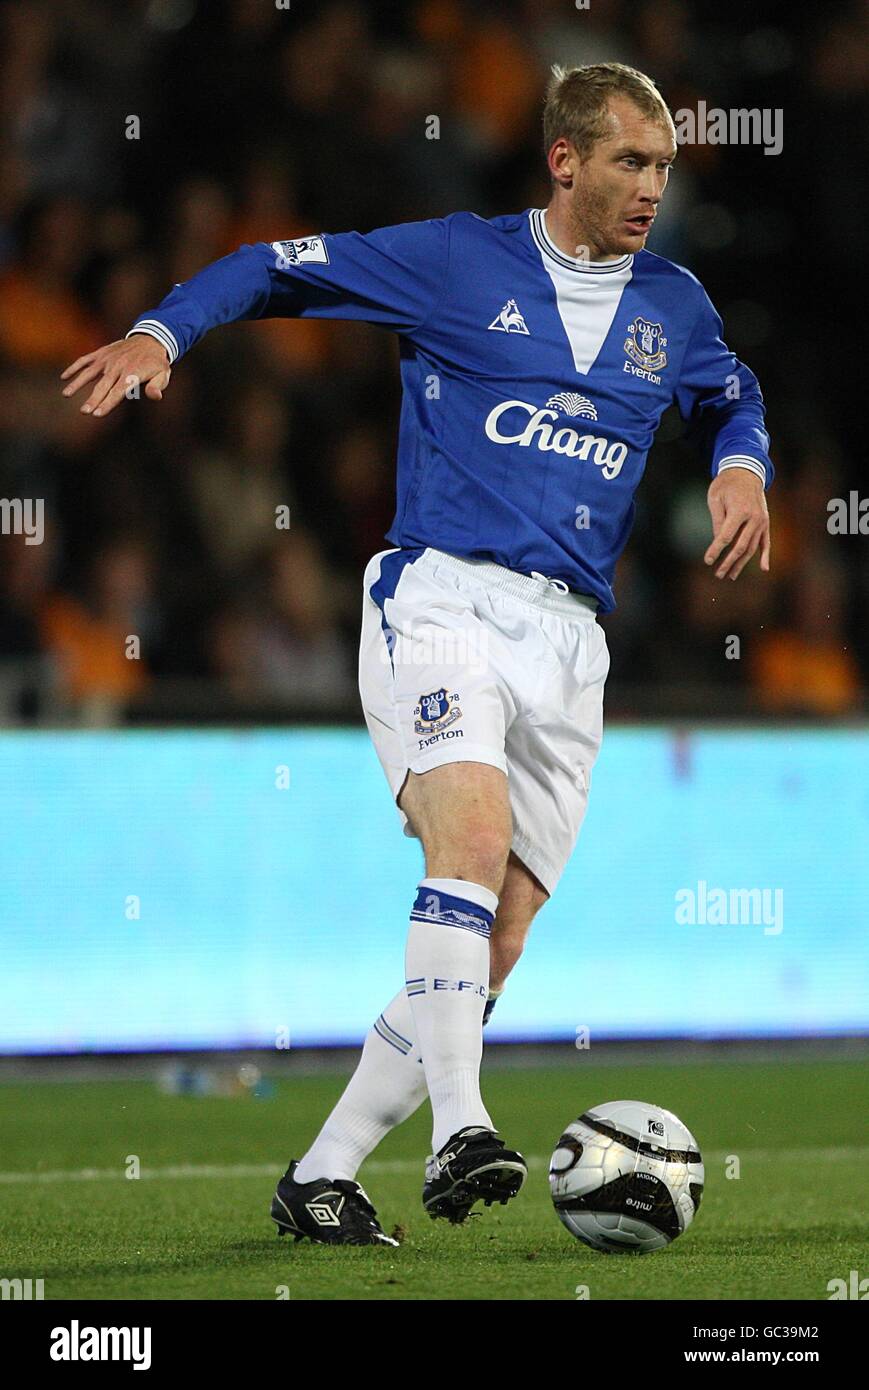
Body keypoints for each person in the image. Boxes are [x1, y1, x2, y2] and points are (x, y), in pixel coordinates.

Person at [61, 63, 772, 1247]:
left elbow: (732, 387)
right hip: (442, 594)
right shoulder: (453, 259)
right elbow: (271, 267)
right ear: (563, 160)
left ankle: (324, 1175)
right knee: (470, 843)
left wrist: (738, 462)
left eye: (662, 165)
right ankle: (460, 1126)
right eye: (628, 163)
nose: (652, 186)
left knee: (500, 931)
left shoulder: (674, 305)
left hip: (570, 639)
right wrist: (158, 334)